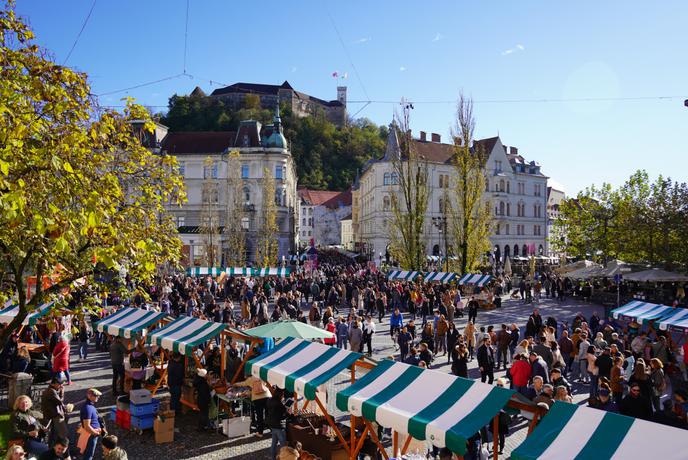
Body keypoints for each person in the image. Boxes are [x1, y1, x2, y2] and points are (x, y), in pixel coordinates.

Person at [41, 376, 72, 446]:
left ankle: (52, 446)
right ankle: (65, 449)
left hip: (51, 414)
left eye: (61, 384)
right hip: (55, 415)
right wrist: (62, 392)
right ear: (53, 384)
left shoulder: (51, 390)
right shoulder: (52, 391)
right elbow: (60, 401)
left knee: (53, 433)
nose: (61, 386)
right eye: (59, 384)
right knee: (63, 433)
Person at [78, 388, 103, 460]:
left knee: (89, 453)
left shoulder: (90, 405)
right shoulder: (87, 408)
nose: (98, 397)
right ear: (89, 396)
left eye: (98, 396)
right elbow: (87, 426)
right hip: (91, 435)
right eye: (96, 395)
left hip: (92, 433)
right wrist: (96, 433)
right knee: (89, 455)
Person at [267, 387, 289, 460]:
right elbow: (283, 414)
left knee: (274, 444)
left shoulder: (270, 400)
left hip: (272, 424)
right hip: (279, 426)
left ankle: (273, 458)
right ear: (280, 395)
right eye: (282, 394)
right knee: (283, 446)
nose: (283, 396)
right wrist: (286, 409)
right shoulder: (279, 404)